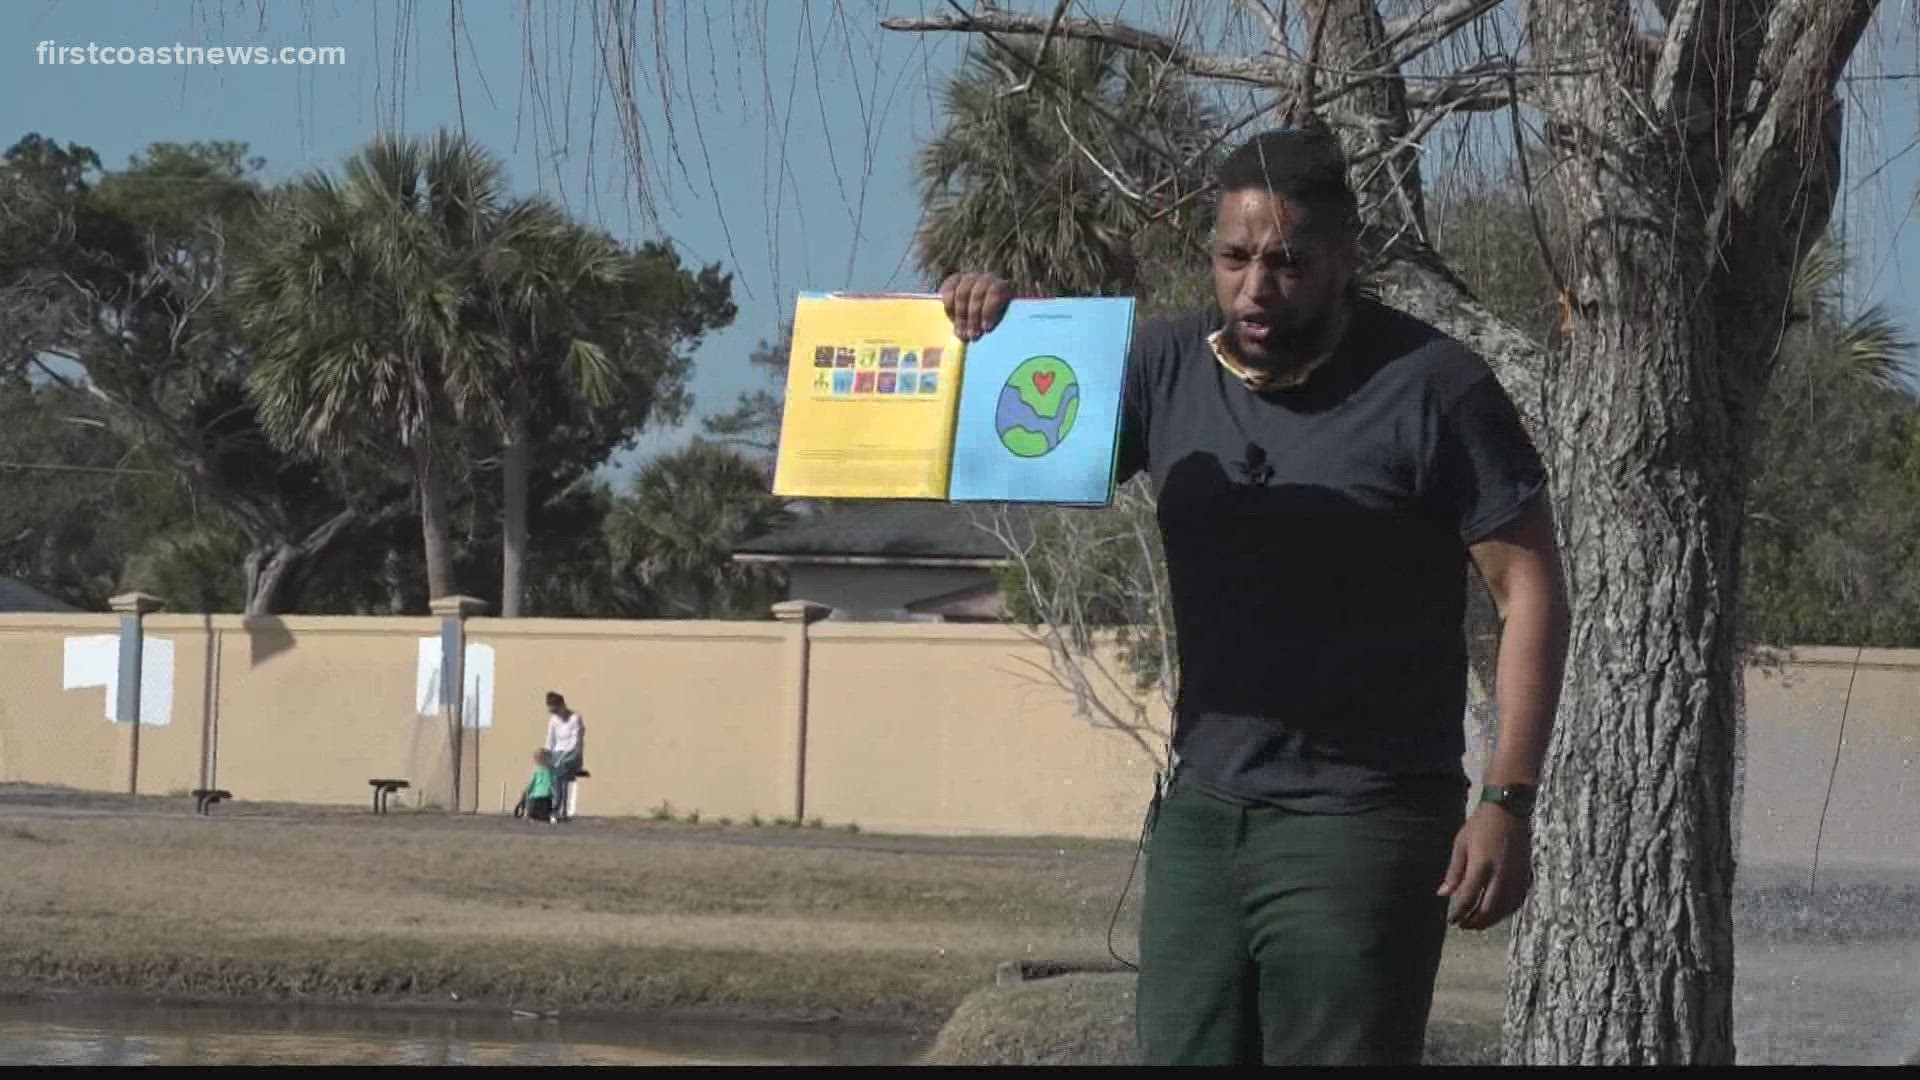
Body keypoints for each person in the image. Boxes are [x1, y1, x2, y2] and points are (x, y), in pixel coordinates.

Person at [938, 127, 1570, 1066]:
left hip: (1364, 823)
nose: (1255, 288)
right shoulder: (1165, 367)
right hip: (1204, 811)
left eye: (1287, 262)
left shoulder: (1435, 388)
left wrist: (1507, 801)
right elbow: (1014, 423)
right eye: (1234, 259)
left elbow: (1532, 593)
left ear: (1345, 258)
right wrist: (986, 325)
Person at [543, 691, 586, 822]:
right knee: (546, 770)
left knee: (560, 770)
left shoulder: (575, 718)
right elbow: (550, 741)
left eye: (556, 710)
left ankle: (557, 810)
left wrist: (562, 757)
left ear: (562, 705)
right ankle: (543, 807)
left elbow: (576, 741)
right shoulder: (553, 721)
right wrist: (546, 756)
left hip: (572, 755)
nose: (556, 714)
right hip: (557, 753)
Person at [519, 748, 558, 824]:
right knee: (548, 808)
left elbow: (531, 782)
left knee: (530, 805)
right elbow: (553, 782)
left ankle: (528, 815)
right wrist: (554, 791)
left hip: (535, 794)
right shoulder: (551, 770)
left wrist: (526, 790)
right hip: (547, 794)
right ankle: (550, 817)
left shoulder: (536, 770)